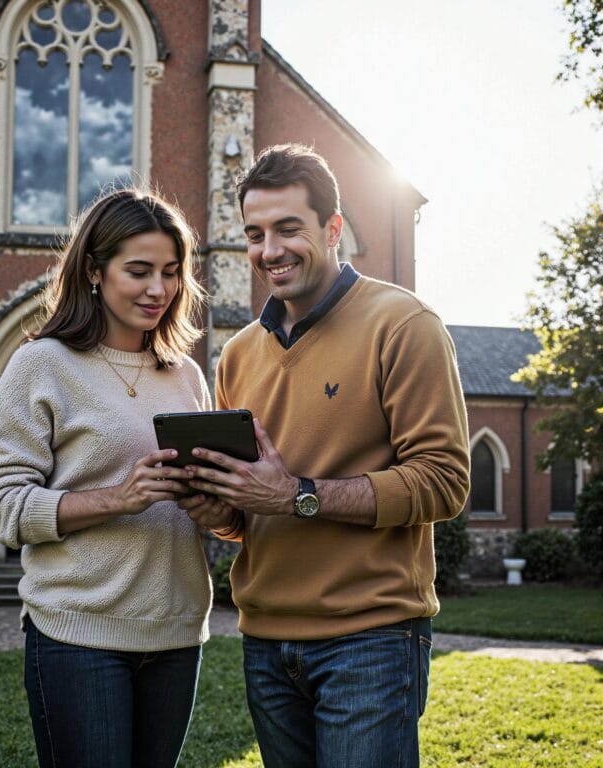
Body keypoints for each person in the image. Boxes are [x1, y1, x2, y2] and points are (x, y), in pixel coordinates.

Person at [180, 144, 471, 768]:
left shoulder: (405, 324)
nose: (270, 250)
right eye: (255, 234)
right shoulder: (237, 355)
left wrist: (297, 495)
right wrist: (214, 508)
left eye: (289, 229)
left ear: (333, 228)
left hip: (371, 640)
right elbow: (249, 514)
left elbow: (444, 482)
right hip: (265, 643)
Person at [0, 188, 227, 768]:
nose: (158, 289)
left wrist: (212, 505)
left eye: (171, 272)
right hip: (77, 634)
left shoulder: (187, 376)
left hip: (175, 633)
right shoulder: (42, 364)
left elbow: (208, 512)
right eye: (138, 271)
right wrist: (119, 497)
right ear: (94, 271)